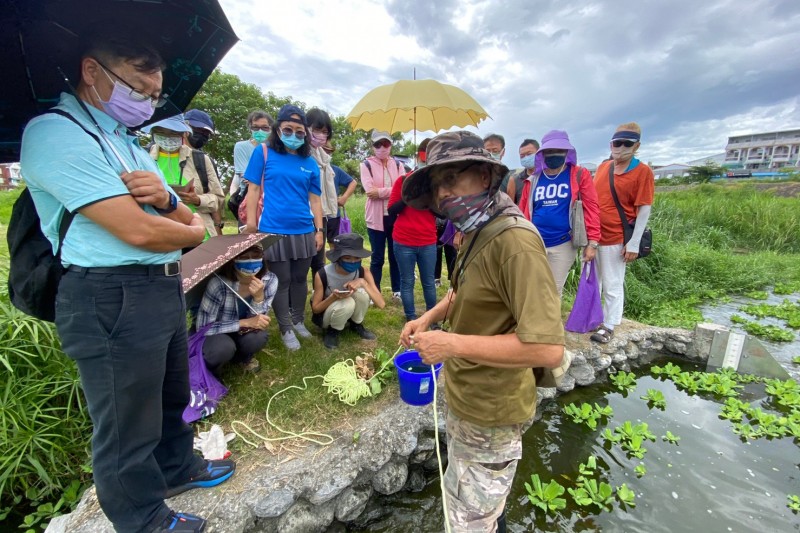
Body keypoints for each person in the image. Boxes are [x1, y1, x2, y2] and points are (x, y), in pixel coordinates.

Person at [19, 32, 233, 532]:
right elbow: (142, 231)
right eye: (137, 88)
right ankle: (142, 519)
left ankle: (178, 468)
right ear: (93, 71)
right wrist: (187, 225)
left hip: (158, 286)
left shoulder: (124, 140)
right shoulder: (56, 133)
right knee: (125, 419)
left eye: (154, 95)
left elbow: (178, 216)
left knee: (168, 393)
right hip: (108, 293)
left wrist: (169, 206)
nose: (146, 102)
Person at [399, 131, 565, 532]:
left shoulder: (516, 243)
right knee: (480, 506)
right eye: (438, 184)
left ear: (486, 177)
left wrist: (451, 343)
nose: (444, 193)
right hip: (466, 398)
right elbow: (464, 290)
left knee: (470, 521)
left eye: (454, 178)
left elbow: (548, 350)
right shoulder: (476, 228)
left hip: (492, 411)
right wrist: (430, 317)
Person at [242, 104, 323, 351]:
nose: (295, 135)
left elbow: (315, 199)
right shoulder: (264, 152)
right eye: (289, 129)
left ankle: (298, 321)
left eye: (301, 132)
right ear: (278, 129)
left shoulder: (309, 162)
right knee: (282, 280)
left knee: (300, 278)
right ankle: (286, 327)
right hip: (273, 229)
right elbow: (253, 188)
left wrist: (319, 230)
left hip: (304, 229)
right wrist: (252, 222)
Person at [591, 122, 655, 343]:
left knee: (612, 283)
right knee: (594, 281)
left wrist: (634, 242)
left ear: (636, 146)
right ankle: (594, 318)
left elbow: (644, 208)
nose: (620, 147)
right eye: (617, 143)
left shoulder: (642, 171)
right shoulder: (603, 168)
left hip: (617, 237)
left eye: (627, 143)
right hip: (594, 236)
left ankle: (609, 325)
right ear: (611, 143)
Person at [517, 130, 601, 297]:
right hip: (535, 242)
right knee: (532, 288)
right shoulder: (534, 178)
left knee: (553, 291)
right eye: (549, 151)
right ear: (543, 153)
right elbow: (522, 211)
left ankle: (551, 323)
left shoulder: (578, 174)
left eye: (559, 150)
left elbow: (591, 208)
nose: (554, 154)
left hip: (562, 243)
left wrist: (593, 242)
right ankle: (533, 322)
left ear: (566, 152)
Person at [196, 243, 277, 374]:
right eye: (244, 257)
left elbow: (259, 322)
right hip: (216, 332)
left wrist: (258, 299)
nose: (251, 262)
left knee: (258, 338)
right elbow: (203, 327)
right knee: (222, 348)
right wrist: (243, 323)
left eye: (256, 256)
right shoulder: (218, 284)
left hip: (243, 332)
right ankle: (212, 369)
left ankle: (241, 358)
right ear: (232, 260)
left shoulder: (270, 280)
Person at [143, 115, 225, 242]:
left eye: (173, 132)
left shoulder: (200, 159)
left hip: (198, 236)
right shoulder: (141, 156)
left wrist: (197, 200)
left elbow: (218, 199)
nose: (168, 136)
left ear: (184, 133)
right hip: (156, 235)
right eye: (161, 131)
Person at [388, 143, 438, 322]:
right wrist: (408, 195)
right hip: (403, 241)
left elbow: (442, 214)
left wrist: (428, 197)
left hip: (427, 241)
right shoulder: (402, 181)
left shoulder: (436, 185)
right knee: (407, 281)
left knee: (428, 282)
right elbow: (392, 209)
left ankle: (432, 319)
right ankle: (410, 317)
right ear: (418, 157)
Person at [311, 233, 384, 349]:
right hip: (327, 315)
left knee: (363, 295)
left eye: (357, 258)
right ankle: (332, 331)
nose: (353, 262)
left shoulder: (363, 272)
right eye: (347, 258)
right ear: (338, 258)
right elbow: (315, 309)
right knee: (347, 302)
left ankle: (356, 324)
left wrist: (363, 283)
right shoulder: (322, 274)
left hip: (348, 310)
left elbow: (381, 304)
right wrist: (333, 297)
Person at [361, 130, 403, 301]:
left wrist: (381, 192)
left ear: (391, 145)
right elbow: (370, 191)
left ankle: (397, 291)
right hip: (376, 219)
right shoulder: (366, 165)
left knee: (396, 255)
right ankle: (374, 292)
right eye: (378, 144)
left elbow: (402, 190)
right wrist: (391, 191)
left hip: (395, 216)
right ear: (373, 146)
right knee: (377, 257)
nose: (382, 147)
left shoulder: (399, 164)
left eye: (385, 144)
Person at [306, 108, 340, 278]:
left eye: (325, 131)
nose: (320, 135)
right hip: (304, 215)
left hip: (323, 214)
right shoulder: (302, 155)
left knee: (319, 261)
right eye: (316, 129)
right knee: (304, 260)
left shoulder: (323, 157)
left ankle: (318, 298)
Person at [184, 108, 225, 235]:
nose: (201, 135)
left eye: (206, 133)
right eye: (198, 130)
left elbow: (217, 199)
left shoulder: (203, 160)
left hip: (201, 230)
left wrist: (218, 230)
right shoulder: (151, 154)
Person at [231, 110, 274, 198]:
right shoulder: (241, 146)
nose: (260, 131)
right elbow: (245, 176)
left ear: (271, 128)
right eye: (255, 127)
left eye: (264, 127)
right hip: (247, 195)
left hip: (271, 195)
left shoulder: (275, 149)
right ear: (250, 128)